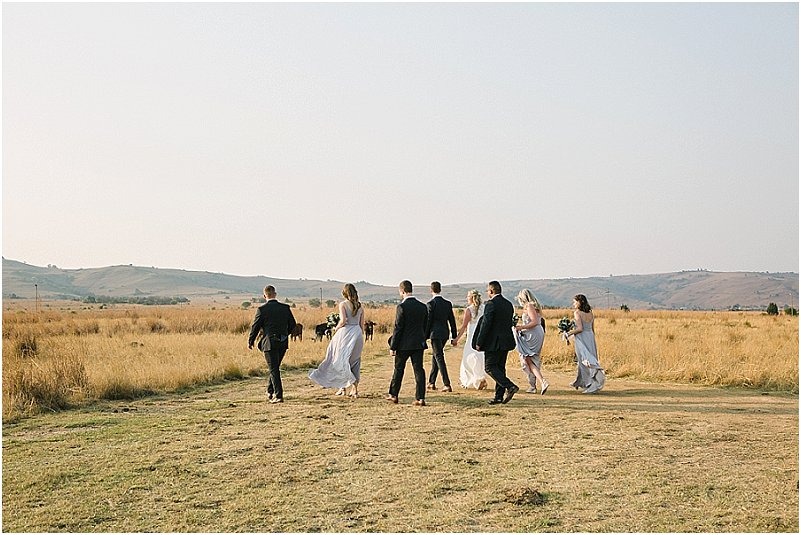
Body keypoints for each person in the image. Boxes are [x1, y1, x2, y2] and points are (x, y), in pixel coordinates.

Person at [308, 283, 365, 398]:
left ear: (344, 292)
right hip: (357, 334)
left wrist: (336, 327)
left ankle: (342, 388)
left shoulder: (343, 304)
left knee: (340, 360)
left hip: (345, 333)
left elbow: (343, 320)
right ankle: (355, 389)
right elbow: (361, 325)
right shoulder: (360, 306)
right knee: (355, 361)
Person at [248, 285, 297, 403]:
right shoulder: (285, 308)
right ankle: (270, 390)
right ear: (275, 294)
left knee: (274, 369)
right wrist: (285, 334)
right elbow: (293, 325)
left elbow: (255, 327)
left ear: (265, 296)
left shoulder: (262, 310)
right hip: (283, 342)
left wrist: (251, 340)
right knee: (274, 368)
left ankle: (278, 395)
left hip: (269, 343)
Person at [474, 281, 519, 405]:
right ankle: (498, 396)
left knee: (489, 368)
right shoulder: (508, 304)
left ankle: (510, 386)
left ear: (491, 291)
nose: (488, 293)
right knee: (500, 368)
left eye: (488, 291)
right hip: (506, 340)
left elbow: (486, 324)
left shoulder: (491, 304)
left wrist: (479, 341)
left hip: (493, 342)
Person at [387, 280, 429, 406]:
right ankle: (420, 398)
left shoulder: (401, 307)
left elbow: (398, 327)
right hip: (418, 343)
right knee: (419, 370)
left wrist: (393, 346)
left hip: (403, 345)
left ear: (402, 291)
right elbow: (425, 326)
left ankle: (393, 395)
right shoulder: (423, 306)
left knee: (399, 369)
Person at [564, 294, 606, 394]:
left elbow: (580, 329)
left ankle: (590, 383)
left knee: (583, 360)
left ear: (580, 302)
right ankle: (580, 381)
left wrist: (568, 333)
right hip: (590, 337)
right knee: (590, 358)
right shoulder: (590, 313)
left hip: (582, 338)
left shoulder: (577, 313)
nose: (573, 304)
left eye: (575, 302)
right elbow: (592, 329)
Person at [514, 289, 549, 395]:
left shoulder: (529, 306)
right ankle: (534, 385)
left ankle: (541, 382)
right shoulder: (533, 306)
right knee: (529, 360)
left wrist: (520, 327)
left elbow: (534, 322)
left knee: (528, 359)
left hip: (533, 333)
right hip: (533, 333)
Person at [452, 289, 487, 390]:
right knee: (480, 357)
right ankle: (480, 378)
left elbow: (463, 327)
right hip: (482, 335)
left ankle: (469, 380)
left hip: (472, 337)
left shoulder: (469, 309)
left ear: (471, 298)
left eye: (468, 297)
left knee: (467, 358)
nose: (467, 298)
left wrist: (456, 339)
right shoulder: (484, 308)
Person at [426, 281, 458, 392]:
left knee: (439, 356)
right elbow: (452, 320)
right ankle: (431, 382)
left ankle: (447, 384)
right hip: (445, 333)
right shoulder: (447, 304)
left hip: (434, 334)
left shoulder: (430, 304)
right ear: (440, 290)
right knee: (436, 356)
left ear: (431, 290)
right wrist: (454, 336)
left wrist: (425, 336)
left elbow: (428, 322)